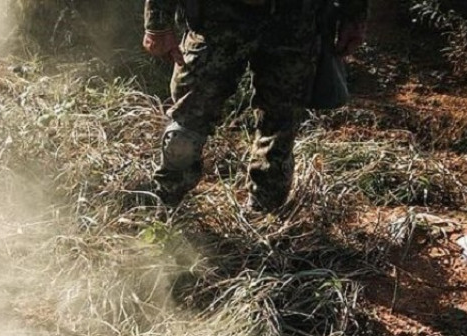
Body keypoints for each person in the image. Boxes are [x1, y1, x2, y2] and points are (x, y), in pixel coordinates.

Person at [141, 0, 368, 211]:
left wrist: (353, 14)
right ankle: (164, 211)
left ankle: (266, 221)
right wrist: (157, 22)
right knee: (186, 127)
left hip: (294, 21)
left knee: (280, 129)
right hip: (219, 19)